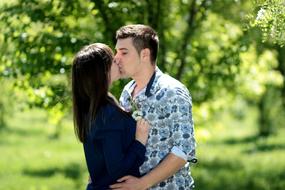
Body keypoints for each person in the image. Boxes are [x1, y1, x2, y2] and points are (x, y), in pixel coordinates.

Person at [110, 24, 197, 190]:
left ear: (144, 54)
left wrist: (142, 183)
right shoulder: (126, 92)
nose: (116, 58)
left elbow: (184, 150)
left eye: (124, 52)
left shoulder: (173, 92)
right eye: (116, 51)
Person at [71, 43, 150, 190]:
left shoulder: (95, 106)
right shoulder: (107, 114)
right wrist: (139, 141)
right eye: (113, 60)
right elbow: (117, 171)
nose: (118, 60)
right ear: (102, 72)